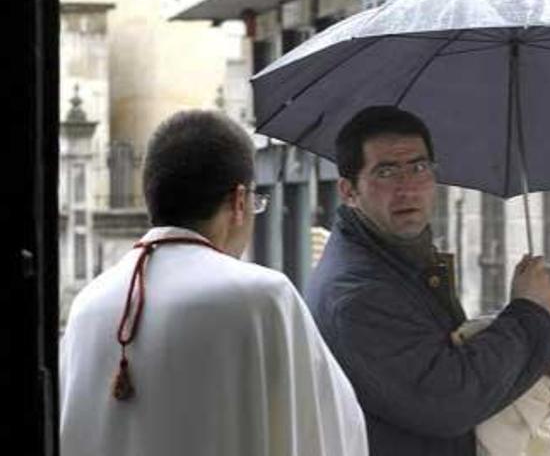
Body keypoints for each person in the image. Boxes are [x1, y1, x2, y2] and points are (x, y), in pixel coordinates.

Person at [59, 110, 368, 456]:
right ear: (239, 202)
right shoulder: (262, 299)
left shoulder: (88, 305)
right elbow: (337, 433)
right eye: (256, 202)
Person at [305, 105, 550, 456]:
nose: (408, 189)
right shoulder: (355, 293)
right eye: (386, 172)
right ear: (348, 191)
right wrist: (527, 313)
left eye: (419, 168)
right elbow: (448, 399)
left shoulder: (401, 261)